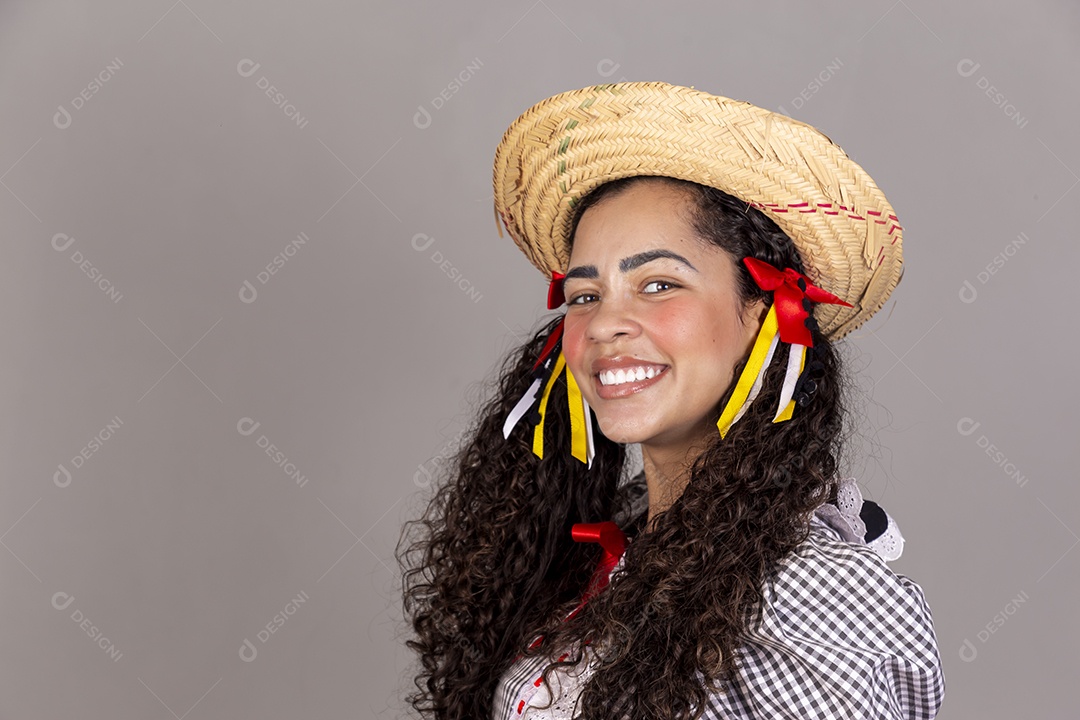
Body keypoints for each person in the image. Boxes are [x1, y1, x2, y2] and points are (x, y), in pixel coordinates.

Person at [397, 81, 944, 720]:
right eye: (584, 295)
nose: (604, 324)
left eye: (658, 283)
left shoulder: (812, 597)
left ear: (762, 314)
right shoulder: (605, 551)